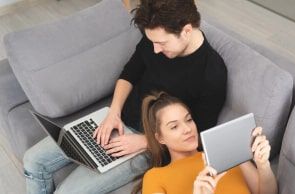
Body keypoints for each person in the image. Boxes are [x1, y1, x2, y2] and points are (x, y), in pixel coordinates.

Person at [23, 0, 227, 193]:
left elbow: (199, 133)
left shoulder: (212, 73)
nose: (155, 49)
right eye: (152, 41)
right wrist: (113, 112)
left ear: (186, 31)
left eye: (161, 43)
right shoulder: (154, 38)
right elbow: (129, 74)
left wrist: (146, 141)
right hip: (116, 121)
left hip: (148, 146)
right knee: (33, 160)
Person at [137, 91, 277, 194]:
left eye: (189, 120)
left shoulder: (227, 153)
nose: (187, 129)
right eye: (174, 126)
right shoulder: (155, 177)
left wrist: (263, 165)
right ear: (160, 138)